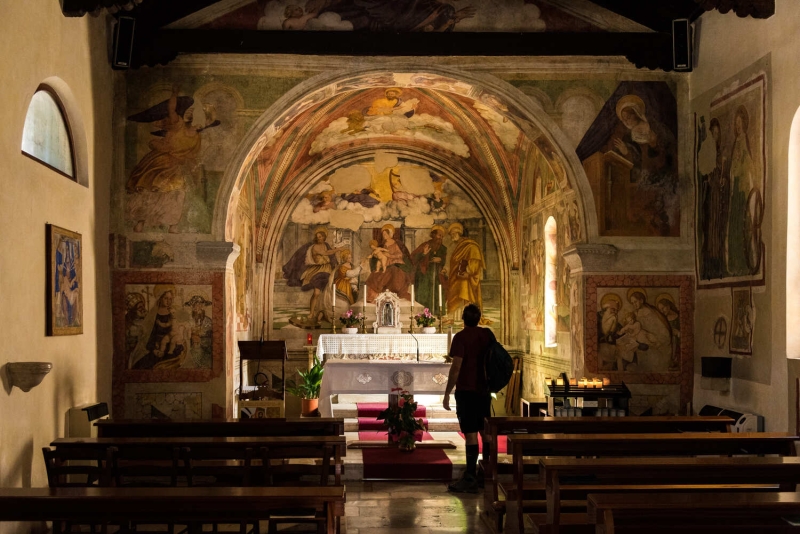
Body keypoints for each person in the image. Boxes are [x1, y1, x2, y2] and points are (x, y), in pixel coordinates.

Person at [125, 86, 218, 234]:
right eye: (203, 119)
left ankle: (172, 225)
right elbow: (171, 110)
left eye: (206, 122)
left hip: (176, 169)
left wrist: (195, 169)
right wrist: (174, 94)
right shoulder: (178, 124)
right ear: (195, 117)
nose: (203, 124)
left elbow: (191, 156)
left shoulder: (197, 138)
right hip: (160, 162)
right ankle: (141, 223)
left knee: (178, 194)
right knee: (151, 191)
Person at [443, 304, 495, 493]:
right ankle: (487, 472)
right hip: (484, 391)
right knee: (485, 431)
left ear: (463, 319)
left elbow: (456, 367)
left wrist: (447, 392)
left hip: (467, 391)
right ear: (479, 318)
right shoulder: (487, 335)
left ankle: (471, 477)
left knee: (471, 433)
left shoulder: (461, 338)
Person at [282, 227, 345, 327]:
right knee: (316, 293)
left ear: (324, 237)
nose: (319, 238)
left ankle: (322, 313)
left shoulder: (326, 245)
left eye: (320, 236)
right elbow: (326, 253)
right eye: (317, 236)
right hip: (318, 271)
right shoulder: (315, 247)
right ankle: (311, 313)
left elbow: (330, 255)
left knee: (326, 293)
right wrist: (337, 249)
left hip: (327, 270)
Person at [727, 105, 756, 277]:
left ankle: (744, 263)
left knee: (742, 224)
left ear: (744, 124)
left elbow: (748, 164)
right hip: (735, 188)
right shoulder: (737, 142)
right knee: (735, 226)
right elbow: (733, 166)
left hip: (742, 189)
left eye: (740, 123)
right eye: (736, 123)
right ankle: (735, 262)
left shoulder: (744, 141)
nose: (738, 126)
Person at [444, 222, 490, 325]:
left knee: (464, 296)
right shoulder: (459, 246)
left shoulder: (470, 246)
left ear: (458, 233)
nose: (452, 236)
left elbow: (475, 262)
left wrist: (468, 273)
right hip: (456, 279)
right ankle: (454, 318)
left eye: (453, 234)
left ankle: (464, 319)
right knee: (454, 296)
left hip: (465, 280)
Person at [364, 224, 413, 301]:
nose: (384, 236)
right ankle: (374, 296)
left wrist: (390, 255)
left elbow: (400, 255)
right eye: (383, 234)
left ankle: (391, 294)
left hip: (396, 262)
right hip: (385, 262)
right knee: (375, 274)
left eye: (385, 234)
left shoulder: (396, 243)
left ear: (390, 234)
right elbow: (376, 254)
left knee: (393, 271)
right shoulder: (382, 245)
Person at [410, 225, 447, 312]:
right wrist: (423, 253)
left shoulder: (443, 248)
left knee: (438, 292)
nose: (440, 238)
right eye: (439, 235)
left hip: (437, 273)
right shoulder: (425, 245)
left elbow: (443, 260)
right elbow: (413, 258)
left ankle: (438, 313)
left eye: (442, 236)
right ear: (433, 235)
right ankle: (423, 314)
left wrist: (440, 259)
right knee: (424, 293)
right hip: (424, 274)